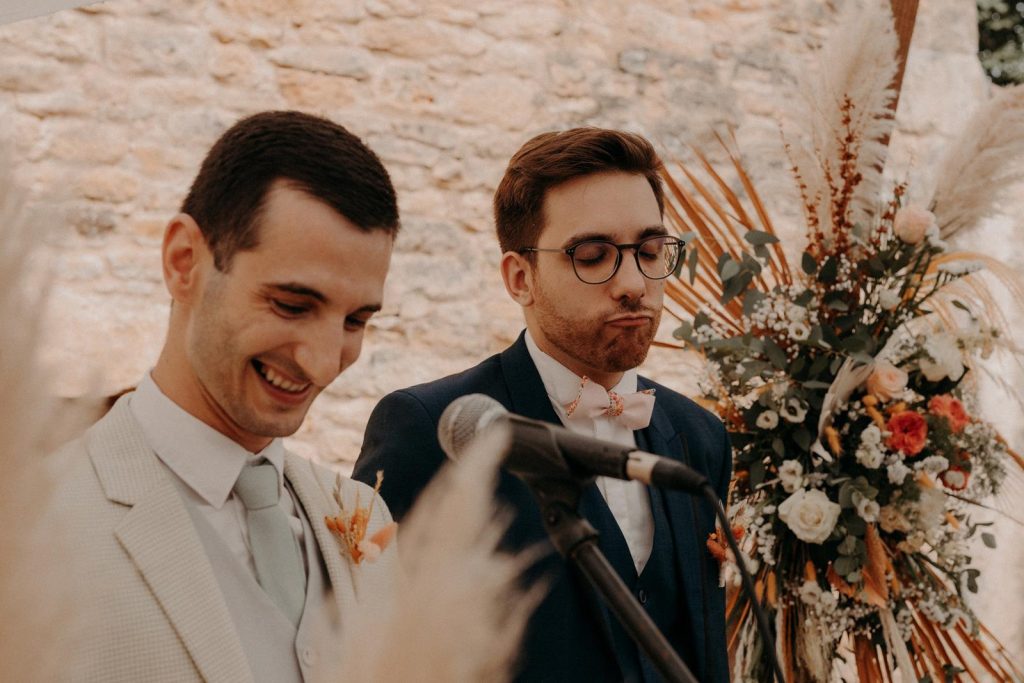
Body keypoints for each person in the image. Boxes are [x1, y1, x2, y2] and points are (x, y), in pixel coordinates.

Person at [353, 127, 731, 683]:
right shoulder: (427, 427)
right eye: (593, 255)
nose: (633, 283)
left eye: (650, 251)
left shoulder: (700, 437)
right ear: (520, 277)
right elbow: (374, 646)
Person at [49, 111, 400, 683]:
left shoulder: (364, 515)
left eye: (356, 320)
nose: (322, 360)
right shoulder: (33, 516)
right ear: (183, 262)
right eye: (291, 304)